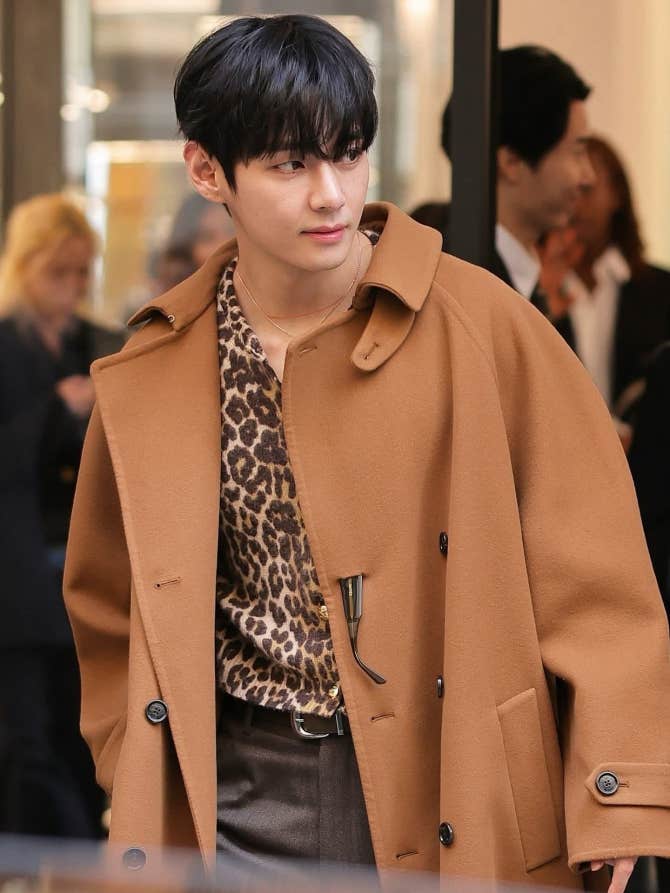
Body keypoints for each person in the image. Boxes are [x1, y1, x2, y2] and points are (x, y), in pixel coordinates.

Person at [63, 15, 670, 892]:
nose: (331, 194)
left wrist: (615, 786)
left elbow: (601, 581)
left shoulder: (482, 326)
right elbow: (108, 603)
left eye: (348, 155)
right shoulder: (158, 367)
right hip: (235, 799)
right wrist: (134, 760)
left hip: (450, 782)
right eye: (289, 164)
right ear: (206, 170)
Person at [0, 193, 123, 837]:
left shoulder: (89, 341)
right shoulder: (7, 344)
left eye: (81, 272)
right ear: (25, 267)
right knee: (29, 738)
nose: (72, 287)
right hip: (18, 575)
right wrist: (56, 410)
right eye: (58, 272)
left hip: (80, 566)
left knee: (85, 733)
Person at [412, 45, 596, 313]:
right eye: (577, 152)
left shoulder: (520, 279)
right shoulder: (454, 287)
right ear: (511, 162)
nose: (589, 176)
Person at [540, 136, 670, 447]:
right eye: (569, 189)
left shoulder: (661, 289)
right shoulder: (540, 287)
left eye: (586, 189)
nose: (575, 203)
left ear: (617, 195)